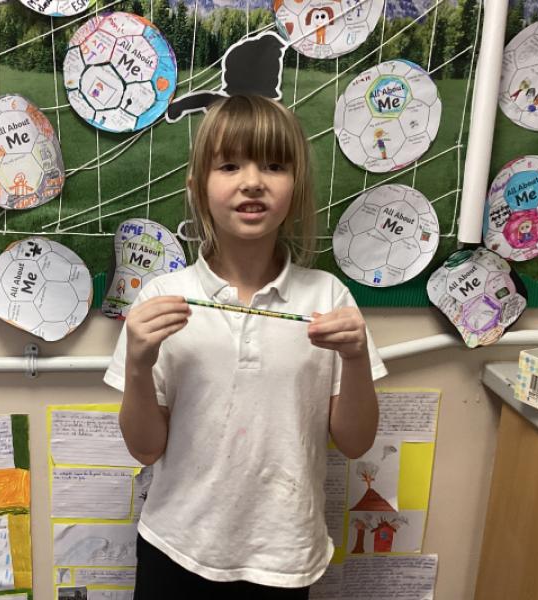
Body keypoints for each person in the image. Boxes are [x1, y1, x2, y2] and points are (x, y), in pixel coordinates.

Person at [104, 95, 386, 599]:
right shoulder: (162, 298)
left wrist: (357, 356)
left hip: (284, 557)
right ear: (197, 187)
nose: (253, 181)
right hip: (176, 547)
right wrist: (139, 366)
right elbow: (144, 448)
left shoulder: (327, 298)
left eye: (274, 166)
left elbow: (356, 443)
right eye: (229, 165)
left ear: (296, 186)